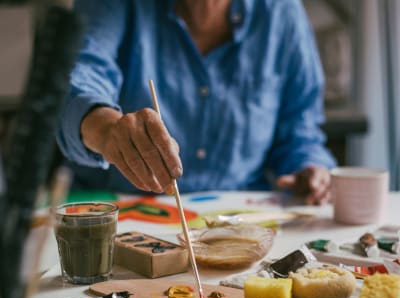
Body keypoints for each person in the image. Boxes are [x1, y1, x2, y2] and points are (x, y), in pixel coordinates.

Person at [58, 0, 337, 205]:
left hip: (239, 217)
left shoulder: (281, 12)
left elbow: (301, 131)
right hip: (121, 208)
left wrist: (308, 167)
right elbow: (77, 80)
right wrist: (108, 131)